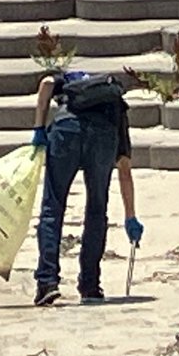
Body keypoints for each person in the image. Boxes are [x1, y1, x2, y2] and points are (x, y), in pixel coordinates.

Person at [30, 71, 143, 306]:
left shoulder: (72, 79)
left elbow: (47, 83)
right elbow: (124, 167)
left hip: (66, 129)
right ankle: (90, 286)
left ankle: (47, 282)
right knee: (96, 210)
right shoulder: (117, 108)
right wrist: (130, 216)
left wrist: (39, 127)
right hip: (103, 138)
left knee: (53, 206)